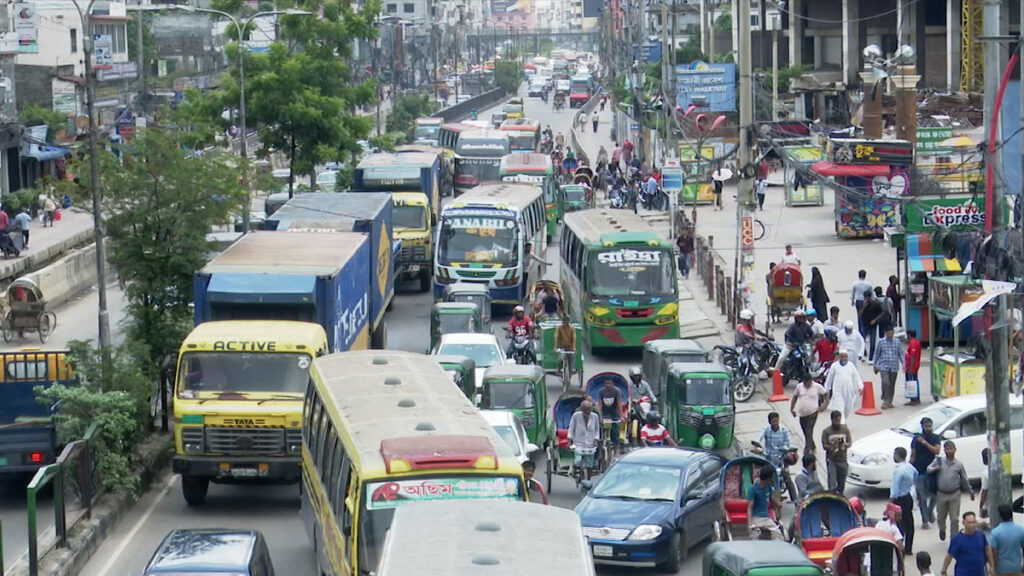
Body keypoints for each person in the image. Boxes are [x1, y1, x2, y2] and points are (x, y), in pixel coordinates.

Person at [929, 440, 974, 541]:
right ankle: (942, 529)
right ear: (944, 450)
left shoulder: (958, 464)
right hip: (941, 494)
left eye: (951, 449)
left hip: (954, 494)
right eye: (947, 449)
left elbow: (964, 479)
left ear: (955, 450)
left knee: (954, 519)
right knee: (941, 517)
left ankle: (954, 538)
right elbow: (928, 469)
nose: (949, 451)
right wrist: (935, 468)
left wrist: (970, 491)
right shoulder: (939, 461)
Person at [911, 417, 942, 529]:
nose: (928, 428)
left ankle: (930, 511)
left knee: (934, 494)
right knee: (922, 497)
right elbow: (913, 454)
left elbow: (936, 450)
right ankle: (925, 520)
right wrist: (910, 467)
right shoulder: (916, 439)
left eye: (930, 426)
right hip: (919, 471)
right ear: (922, 427)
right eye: (926, 426)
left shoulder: (935, 438)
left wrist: (924, 443)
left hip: (932, 471)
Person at [759, 412, 796, 501]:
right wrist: (757, 444)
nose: (775, 423)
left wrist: (785, 449)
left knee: (788, 479)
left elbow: (787, 443)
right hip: (769, 459)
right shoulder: (766, 430)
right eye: (773, 421)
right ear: (770, 422)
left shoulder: (784, 430)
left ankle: (795, 500)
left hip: (781, 458)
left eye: (776, 421)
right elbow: (759, 437)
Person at [941, 512, 991, 576]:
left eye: (973, 522)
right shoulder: (957, 539)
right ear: (963, 523)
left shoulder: (981, 535)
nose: (972, 525)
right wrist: (944, 571)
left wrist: (991, 565)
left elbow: (987, 549)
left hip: (979, 572)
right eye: (969, 523)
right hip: (963, 573)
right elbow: (949, 555)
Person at [824, 349, 863, 424]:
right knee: (839, 409)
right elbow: (829, 379)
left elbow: (857, 377)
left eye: (845, 356)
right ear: (839, 357)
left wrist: (860, 387)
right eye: (842, 356)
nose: (844, 358)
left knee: (847, 409)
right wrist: (826, 389)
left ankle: (842, 421)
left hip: (849, 391)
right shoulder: (834, 366)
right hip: (838, 391)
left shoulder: (851, 366)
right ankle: (842, 425)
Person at [891, 446, 918, 554]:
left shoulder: (898, 471)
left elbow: (895, 489)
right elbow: (916, 475)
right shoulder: (909, 467)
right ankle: (909, 548)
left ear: (897, 456)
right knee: (909, 522)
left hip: (900, 499)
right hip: (908, 497)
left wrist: (890, 503)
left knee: (899, 524)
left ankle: (900, 547)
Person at [791, 376, 827, 454]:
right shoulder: (799, 386)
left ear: (811, 381)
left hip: (813, 413)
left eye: (808, 383)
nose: (806, 385)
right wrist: (792, 409)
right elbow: (795, 397)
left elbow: (826, 395)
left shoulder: (817, 387)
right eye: (805, 383)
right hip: (802, 414)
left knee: (809, 430)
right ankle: (812, 445)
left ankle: (807, 449)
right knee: (805, 432)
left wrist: (824, 406)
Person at [747, 466, 784, 540]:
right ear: (769, 478)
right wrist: (749, 522)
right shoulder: (752, 489)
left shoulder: (768, 488)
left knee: (779, 536)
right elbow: (750, 507)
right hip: (756, 518)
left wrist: (779, 506)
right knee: (755, 537)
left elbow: (773, 500)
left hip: (766, 519)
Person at [821, 410, 852, 494]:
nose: (837, 422)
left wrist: (844, 444)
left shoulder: (845, 430)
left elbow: (849, 442)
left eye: (839, 420)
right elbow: (824, 445)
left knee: (841, 483)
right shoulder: (826, 431)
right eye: (836, 420)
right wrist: (832, 447)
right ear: (832, 419)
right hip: (832, 460)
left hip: (843, 460)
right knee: (832, 483)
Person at [568, 400, 601, 479]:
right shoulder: (576, 416)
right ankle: (574, 468)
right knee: (578, 461)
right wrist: (569, 440)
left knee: (590, 464)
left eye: (589, 410)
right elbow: (571, 428)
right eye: (586, 410)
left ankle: (588, 479)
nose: (588, 412)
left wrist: (596, 440)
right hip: (578, 443)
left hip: (590, 443)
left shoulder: (595, 416)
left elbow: (597, 430)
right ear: (582, 409)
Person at [988, 504, 1024, 576]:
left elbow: (994, 553)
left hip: (1001, 569)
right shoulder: (1021, 530)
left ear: (1000, 516)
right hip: (1016, 567)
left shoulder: (995, 532)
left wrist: (994, 568)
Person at [873, 327, 903, 409]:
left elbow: (901, 354)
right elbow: (877, 354)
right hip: (883, 366)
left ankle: (890, 401)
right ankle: (885, 400)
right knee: (886, 382)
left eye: (891, 333)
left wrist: (904, 364)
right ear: (885, 333)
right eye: (888, 333)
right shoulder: (881, 342)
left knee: (892, 384)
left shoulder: (897, 342)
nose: (890, 335)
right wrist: (875, 365)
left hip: (894, 366)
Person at [861, 288, 889, 360]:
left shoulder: (875, 303)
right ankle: (864, 353)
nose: (866, 299)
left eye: (867, 297)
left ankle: (871, 357)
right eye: (865, 297)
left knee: (872, 342)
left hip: (872, 326)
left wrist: (876, 320)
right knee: (862, 340)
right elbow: (859, 314)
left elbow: (883, 312)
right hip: (864, 325)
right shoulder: (862, 304)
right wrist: (864, 307)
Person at [597, 378, 623, 456]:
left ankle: (615, 450)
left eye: (609, 383)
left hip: (615, 414)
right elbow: (600, 404)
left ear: (613, 384)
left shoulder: (617, 391)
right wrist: (600, 415)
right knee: (601, 430)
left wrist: (621, 415)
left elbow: (619, 404)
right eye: (606, 383)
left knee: (615, 433)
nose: (607, 385)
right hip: (605, 414)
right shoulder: (601, 391)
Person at [851, 270, 872, 335]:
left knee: (860, 316)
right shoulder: (868, 284)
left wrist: (852, 300)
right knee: (867, 315)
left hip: (859, 301)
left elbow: (853, 292)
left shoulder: (855, 283)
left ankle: (861, 330)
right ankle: (867, 330)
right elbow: (871, 292)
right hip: (867, 300)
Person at [905, 329, 922, 405]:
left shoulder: (913, 343)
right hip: (912, 366)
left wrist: (911, 367)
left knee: (912, 382)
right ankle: (914, 398)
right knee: (913, 382)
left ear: (909, 335)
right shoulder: (914, 342)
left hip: (912, 366)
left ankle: (914, 399)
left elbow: (913, 356)